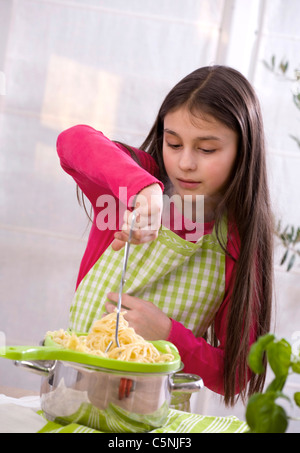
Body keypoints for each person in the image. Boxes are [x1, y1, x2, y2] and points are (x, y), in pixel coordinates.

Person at [56, 65, 274, 407]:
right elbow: (72, 140)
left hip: (155, 417)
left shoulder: (238, 242)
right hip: (73, 394)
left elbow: (237, 373)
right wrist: (144, 190)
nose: (185, 162)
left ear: (242, 152)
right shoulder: (126, 185)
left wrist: (169, 336)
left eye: (206, 149)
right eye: (173, 143)